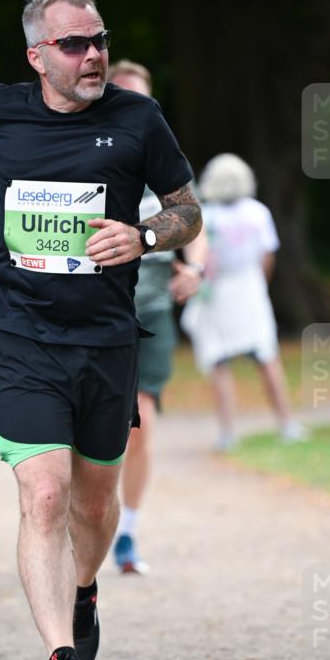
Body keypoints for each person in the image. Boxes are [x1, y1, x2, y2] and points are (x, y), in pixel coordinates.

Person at [0, 0, 201, 660]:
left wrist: (144, 237)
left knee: (91, 501)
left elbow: (186, 209)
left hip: (106, 339)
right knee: (43, 495)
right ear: (37, 56)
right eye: (74, 45)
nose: (92, 55)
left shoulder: (137, 118)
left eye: (98, 40)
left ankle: (83, 589)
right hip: (18, 331)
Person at [108, 60, 207, 574]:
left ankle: (127, 532)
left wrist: (197, 267)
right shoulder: (87, 150)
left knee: (138, 423)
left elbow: (194, 217)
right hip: (94, 309)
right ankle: (84, 519)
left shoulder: (163, 153)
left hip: (150, 310)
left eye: (144, 99)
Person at [180, 153, 305, 450]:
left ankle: (227, 432)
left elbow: (201, 258)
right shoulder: (257, 212)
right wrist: (260, 284)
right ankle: (287, 423)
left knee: (219, 361)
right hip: (250, 288)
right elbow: (268, 255)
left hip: (219, 291)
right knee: (266, 356)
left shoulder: (207, 215)